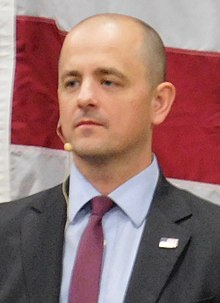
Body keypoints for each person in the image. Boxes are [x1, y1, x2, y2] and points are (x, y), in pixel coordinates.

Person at [0, 13, 220, 303]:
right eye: (71, 83)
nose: (84, 97)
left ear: (159, 102)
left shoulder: (212, 240)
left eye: (108, 81)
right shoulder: (6, 232)